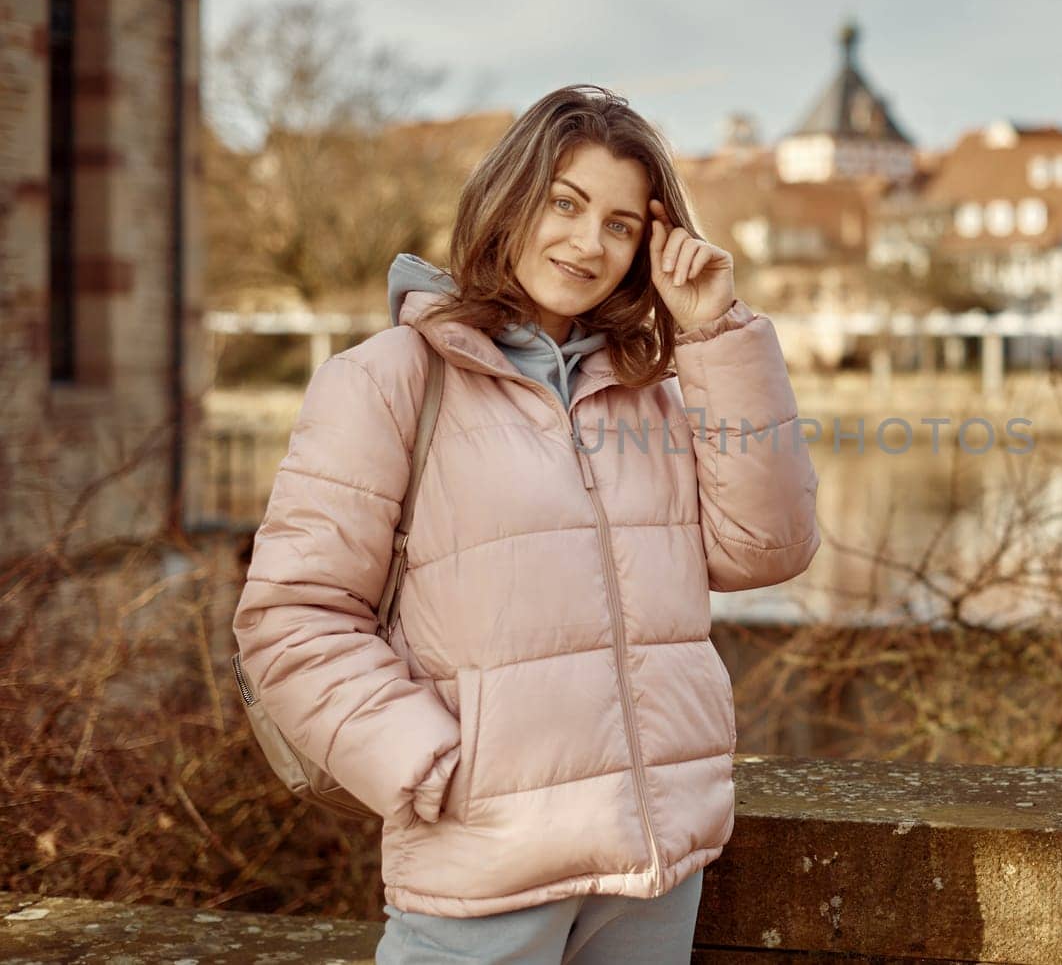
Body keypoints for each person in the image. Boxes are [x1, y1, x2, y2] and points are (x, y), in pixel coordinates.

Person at [232, 84, 822, 963]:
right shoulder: (388, 380)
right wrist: (428, 764)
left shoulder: (655, 391)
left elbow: (767, 547)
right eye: (566, 203)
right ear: (511, 198)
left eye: (621, 225)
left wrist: (718, 336)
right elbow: (290, 618)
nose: (588, 243)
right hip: (485, 866)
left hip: (649, 874)